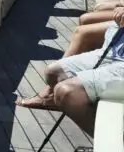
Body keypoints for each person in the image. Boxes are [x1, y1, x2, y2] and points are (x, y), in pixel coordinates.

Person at [16, 7, 124, 136]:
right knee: (54, 72)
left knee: (66, 91)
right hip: (117, 46)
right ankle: (62, 102)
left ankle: (110, 144)